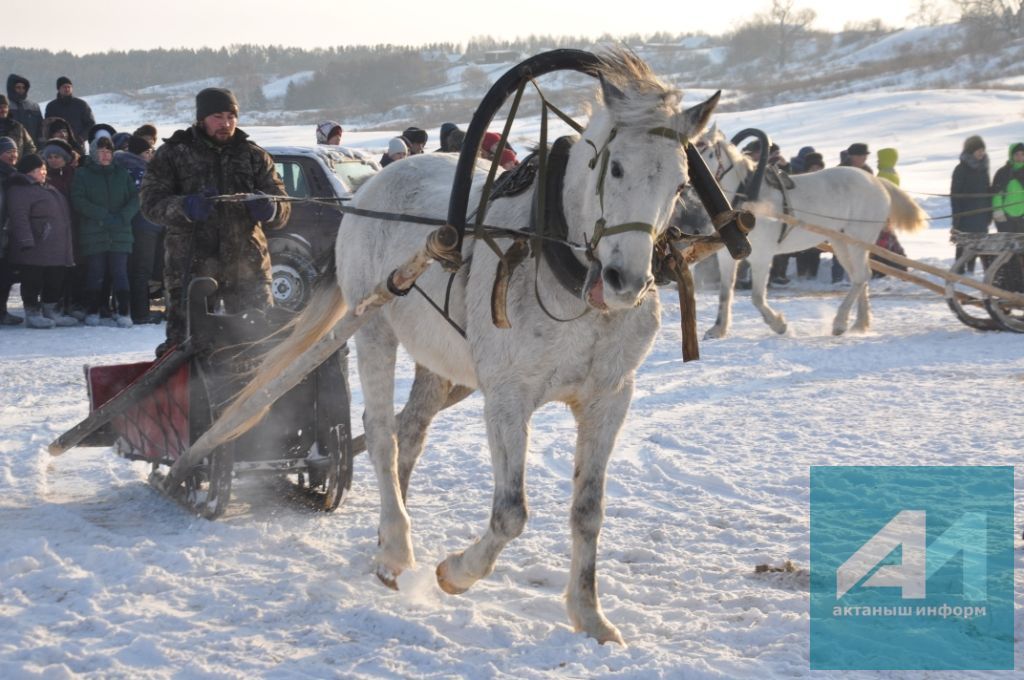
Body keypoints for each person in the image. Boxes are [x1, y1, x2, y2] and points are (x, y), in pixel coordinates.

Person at [140, 87, 291, 354]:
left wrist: (270, 209)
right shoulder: (174, 153)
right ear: (201, 119)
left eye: (231, 116)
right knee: (187, 347)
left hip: (248, 268)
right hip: (191, 269)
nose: (226, 123)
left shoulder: (254, 155)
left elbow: (283, 204)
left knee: (258, 344)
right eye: (218, 117)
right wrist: (185, 207)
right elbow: (150, 204)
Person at [71, 135, 139, 327]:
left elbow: (135, 198)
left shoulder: (122, 173)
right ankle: (92, 310)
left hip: (120, 231)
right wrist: (102, 215)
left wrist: (123, 216)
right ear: (93, 153)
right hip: (94, 231)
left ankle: (124, 311)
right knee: (96, 272)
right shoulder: (82, 174)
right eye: (101, 152)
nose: (105, 155)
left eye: (108, 151)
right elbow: (79, 200)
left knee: (120, 272)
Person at [5, 154, 77, 328]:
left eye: (44, 169)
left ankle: (51, 311)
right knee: (33, 280)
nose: (43, 172)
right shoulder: (20, 190)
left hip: (56, 246)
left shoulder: (47, 187)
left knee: (55, 279)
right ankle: (32, 312)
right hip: (34, 246)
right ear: (28, 172)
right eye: (38, 170)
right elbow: (19, 217)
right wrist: (26, 240)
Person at [115, 135, 164, 324]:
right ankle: (141, 313)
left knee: (140, 269)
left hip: (145, 225)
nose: (150, 155)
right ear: (137, 154)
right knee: (141, 270)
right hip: (145, 225)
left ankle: (140, 310)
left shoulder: (130, 169)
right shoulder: (137, 171)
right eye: (147, 152)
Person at [832, 142, 874, 283]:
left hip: (861, 213)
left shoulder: (867, 171)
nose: (864, 158)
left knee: (860, 246)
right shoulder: (840, 171)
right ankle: (838, 278)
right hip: (841, 212)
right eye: (861, 155)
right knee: (840, 244)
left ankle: (860, 275)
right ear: (852, 156)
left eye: (865, 155)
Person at [950, 135, 992, 274]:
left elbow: (988, 191)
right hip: (966, 215)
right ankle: (959, 272)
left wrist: (989, 213)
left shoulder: (983, 169)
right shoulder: (960, 169)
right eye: (978, 151)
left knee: (981, 245)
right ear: (970, 151)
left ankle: (975, 272)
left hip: (982, 215)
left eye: (982, 150)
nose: (981, 153)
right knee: (964, 245)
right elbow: (955, 196)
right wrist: (958, 217)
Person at [990, 142, 1024, 291]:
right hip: (1006, 218)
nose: (1020, 157)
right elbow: (996, 194)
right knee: (1008, 253)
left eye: (1022, 154)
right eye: (1017, 154)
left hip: (1022, 217)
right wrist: (998, 211)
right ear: (1011, 155)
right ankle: (1008, 285)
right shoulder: (1003, 172)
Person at [870, 147, 908, 278]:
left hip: (882, 212)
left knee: (882, 241)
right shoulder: (893, 173)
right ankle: (899, 264)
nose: (877, 161)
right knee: (889, 240)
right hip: (890, 211)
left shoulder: (883, 175)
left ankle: (880, 268)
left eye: (879, 159)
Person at [0, 137, 23, 325]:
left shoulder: (14, 176)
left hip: (7, 234)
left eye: (14, 151)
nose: (13, 155)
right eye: (8, 152)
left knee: (6, 276)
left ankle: (2, 312)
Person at [795, 152, 825, 279]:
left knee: (816, 247)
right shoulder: (802, 180)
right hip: (803, 217)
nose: (816, 170)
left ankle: (813, 273)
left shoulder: (824, 181)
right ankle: (801, 273)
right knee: (802, 248)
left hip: (819, 218)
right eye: (813, 168)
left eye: (818, 168)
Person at [43, 77, 95, 142]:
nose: (67, 89)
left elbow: (90, 124)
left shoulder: (81, 105)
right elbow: (47, 126)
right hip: (58, 143)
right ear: (59, 89)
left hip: (77, 144)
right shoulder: (51, 106)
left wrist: (81, 137)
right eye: (64, 87)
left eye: (69, 87)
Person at [5, 75, 43, 143]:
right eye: (18, 87)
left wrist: (41, 145)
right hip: (9, 147)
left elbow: (41, 128)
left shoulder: (33, 106)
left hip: (32, 146)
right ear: (11, 88)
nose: (21, 90)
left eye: (23, 88)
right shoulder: (5, 106)